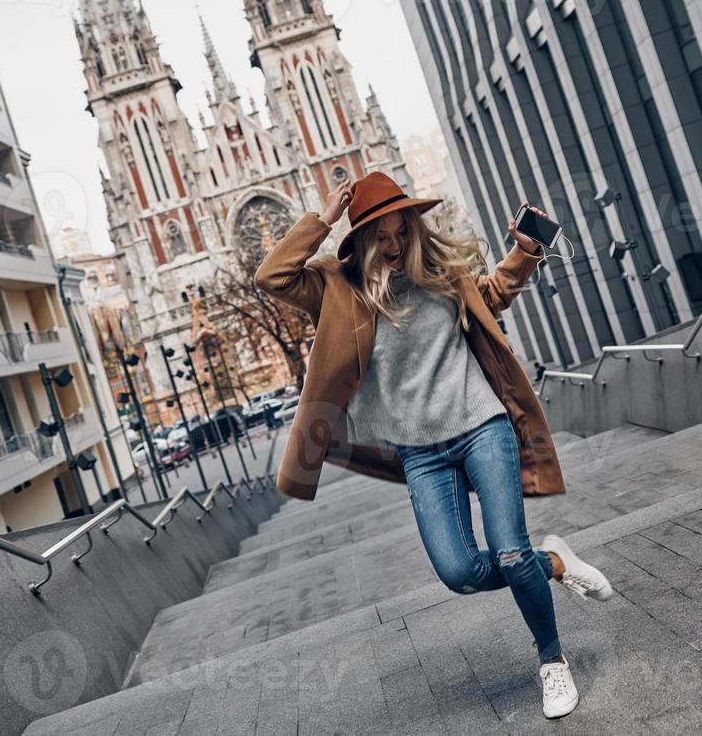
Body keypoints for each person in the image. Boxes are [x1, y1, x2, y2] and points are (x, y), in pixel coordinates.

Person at [255, 172, 614, 720]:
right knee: (459, 572)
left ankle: (552, 661)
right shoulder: (337, 289)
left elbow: (491, 298)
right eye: (381, 236)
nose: (394, 245)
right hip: (421, 454)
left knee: (510, 551)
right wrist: (322, 221)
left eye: (401, 232)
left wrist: (524, 256)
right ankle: (556, 564)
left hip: (480, 425)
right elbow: (272, 275)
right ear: (361, 239)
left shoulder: (440, 272)